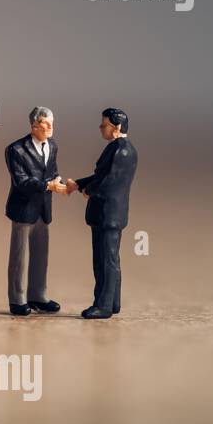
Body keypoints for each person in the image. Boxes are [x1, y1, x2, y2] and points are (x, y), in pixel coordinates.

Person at [67, 108, 137, 320]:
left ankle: (104, 305)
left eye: (103, 125)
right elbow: (100, 176)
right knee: (110, 259)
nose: (100, 128)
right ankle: (113, 302)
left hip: (108, 214)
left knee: (105, 260)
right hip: (109, 214)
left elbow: (108, 182)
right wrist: (78, 184)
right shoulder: (119, 148)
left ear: (116, 127)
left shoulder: (121, 151)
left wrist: (88, 190)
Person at [4, 106, 67, 316]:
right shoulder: (16, 150)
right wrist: (48, 186)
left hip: (43, 209)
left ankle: (38, 296)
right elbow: (21, 181)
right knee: (19, 256)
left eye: (52, 123)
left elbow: (52, 171)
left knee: (41, 255)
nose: (50, 127)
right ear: (33, 125)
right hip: (23, 209)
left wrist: (57, 181)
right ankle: (17, 299)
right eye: (45, 124)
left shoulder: (53, 146)